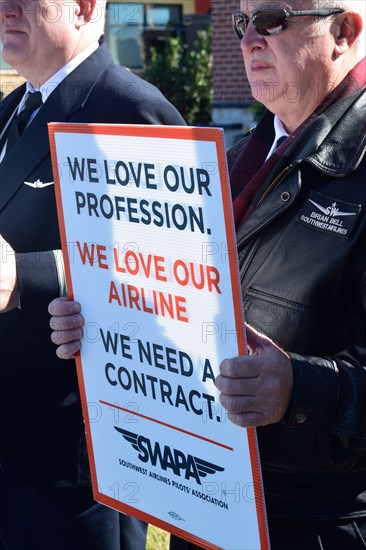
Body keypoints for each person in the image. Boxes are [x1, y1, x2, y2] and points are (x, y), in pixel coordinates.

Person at [48, 0, 366, 548]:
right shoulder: (238, 158)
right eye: (243, 23)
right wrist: (103, 323)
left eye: (271, 19)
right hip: (210, 506)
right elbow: (186, 309)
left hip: (321, 526)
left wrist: (300, 389)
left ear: (344, 31)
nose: (249, 40)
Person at [0, 0, 185, 547]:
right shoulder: (11, 111)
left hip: (78, 473)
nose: (6, 8)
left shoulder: (130, 108)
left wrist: (24, 279)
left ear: (83, 8)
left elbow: (171, 281)